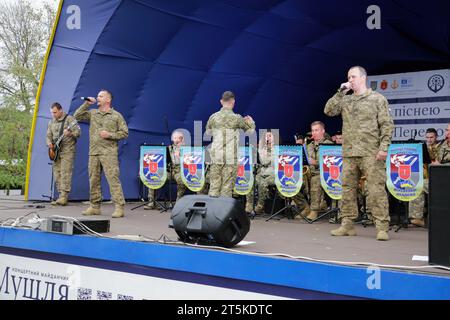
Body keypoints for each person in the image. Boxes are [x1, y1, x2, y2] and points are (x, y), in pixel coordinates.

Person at [324, 66, 394, 240]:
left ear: (363, 78)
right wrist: (341, 91)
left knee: (375, 189)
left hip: (371, 152)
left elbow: (386, 125)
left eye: (353, 77)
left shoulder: (377, 99)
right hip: (349, 152)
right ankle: (347, 225)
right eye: (348, 77)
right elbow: (328, 110)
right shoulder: (346, 100)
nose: (350, 80)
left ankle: (382, 227)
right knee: (347, 189)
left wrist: (384, 147)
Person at [74, 90, 129, 218]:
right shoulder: (93, 113)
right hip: (94, 152)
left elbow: (124, 133)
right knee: (93, 180)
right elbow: (77, 115)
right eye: (97, 96)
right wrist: (87, 104)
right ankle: (94, 206)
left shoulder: (116, 116)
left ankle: (119, 207)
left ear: (108, 100)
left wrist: (109, 135)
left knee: (113, 179)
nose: (97, 97)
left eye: (101, 96)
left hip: (108, 153)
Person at [205, 91, 255, 197]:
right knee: (226, 188)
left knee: (214, 187)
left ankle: (212, 212)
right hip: (230, 157)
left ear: (221, 101)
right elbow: (250, 132)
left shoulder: (213, 117)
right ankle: (223, 212)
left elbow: (208, 132)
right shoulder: (237, 118)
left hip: (216, 155)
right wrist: (251, 122)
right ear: (233, 102)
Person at [46, 102, 80, 206]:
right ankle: (60, 194)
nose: (53, 115)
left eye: (55, 112)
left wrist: (69, 133)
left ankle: (64, 196)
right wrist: (49, 144)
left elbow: (78, 133)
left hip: (67, 150)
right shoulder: (51, 122)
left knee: (65, 173)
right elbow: (48, 136)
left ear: (61, 110)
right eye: (52, 113)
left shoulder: (70, 120)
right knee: (57, 173)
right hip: (56, 151)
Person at [144, 130, 187, 210]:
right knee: (153, 176)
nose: (177, 140)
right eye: (175, 138)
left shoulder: (186, 149)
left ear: (182, 139)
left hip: (180, 171)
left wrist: (181, 153)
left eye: (179, 138)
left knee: (182, 180)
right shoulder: (169, 148)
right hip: (169, 171)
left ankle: (178, 203)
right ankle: (151, 201)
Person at [409, 128, 441, 227]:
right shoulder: (424, 148)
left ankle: (418, 217)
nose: (429, 139)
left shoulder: (441, 147)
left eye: (432, 137)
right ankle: (417, 218)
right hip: (429, 178)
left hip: (440, 179)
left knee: (420, 185)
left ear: (436, 137)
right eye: (427, 137)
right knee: (415, 184)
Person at [305, 121, 333, 220]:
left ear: (323, 131)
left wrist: (315, 162)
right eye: (312, 130)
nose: (314, 133)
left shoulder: (329, 145)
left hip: (323, 173)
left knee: (315, 180)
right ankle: (304, 207)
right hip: (310, 172)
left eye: (316, 130)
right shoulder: (309, 146)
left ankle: (314, 210)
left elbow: (331, 163)